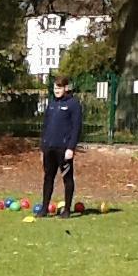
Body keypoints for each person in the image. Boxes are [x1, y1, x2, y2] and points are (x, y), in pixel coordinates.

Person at [37, 75, 82, 219]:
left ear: (66, 88)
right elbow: (45, 126)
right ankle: (44, 209)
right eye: (55, 87)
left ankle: (67, 210)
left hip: (63, 149)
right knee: (48, 178)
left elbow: (76, 128)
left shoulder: (73, 104)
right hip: (49, 148)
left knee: (67, 178)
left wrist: (71, 148)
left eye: (59, 87)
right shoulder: (51, 104)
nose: (56, 90)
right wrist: (43, 147)